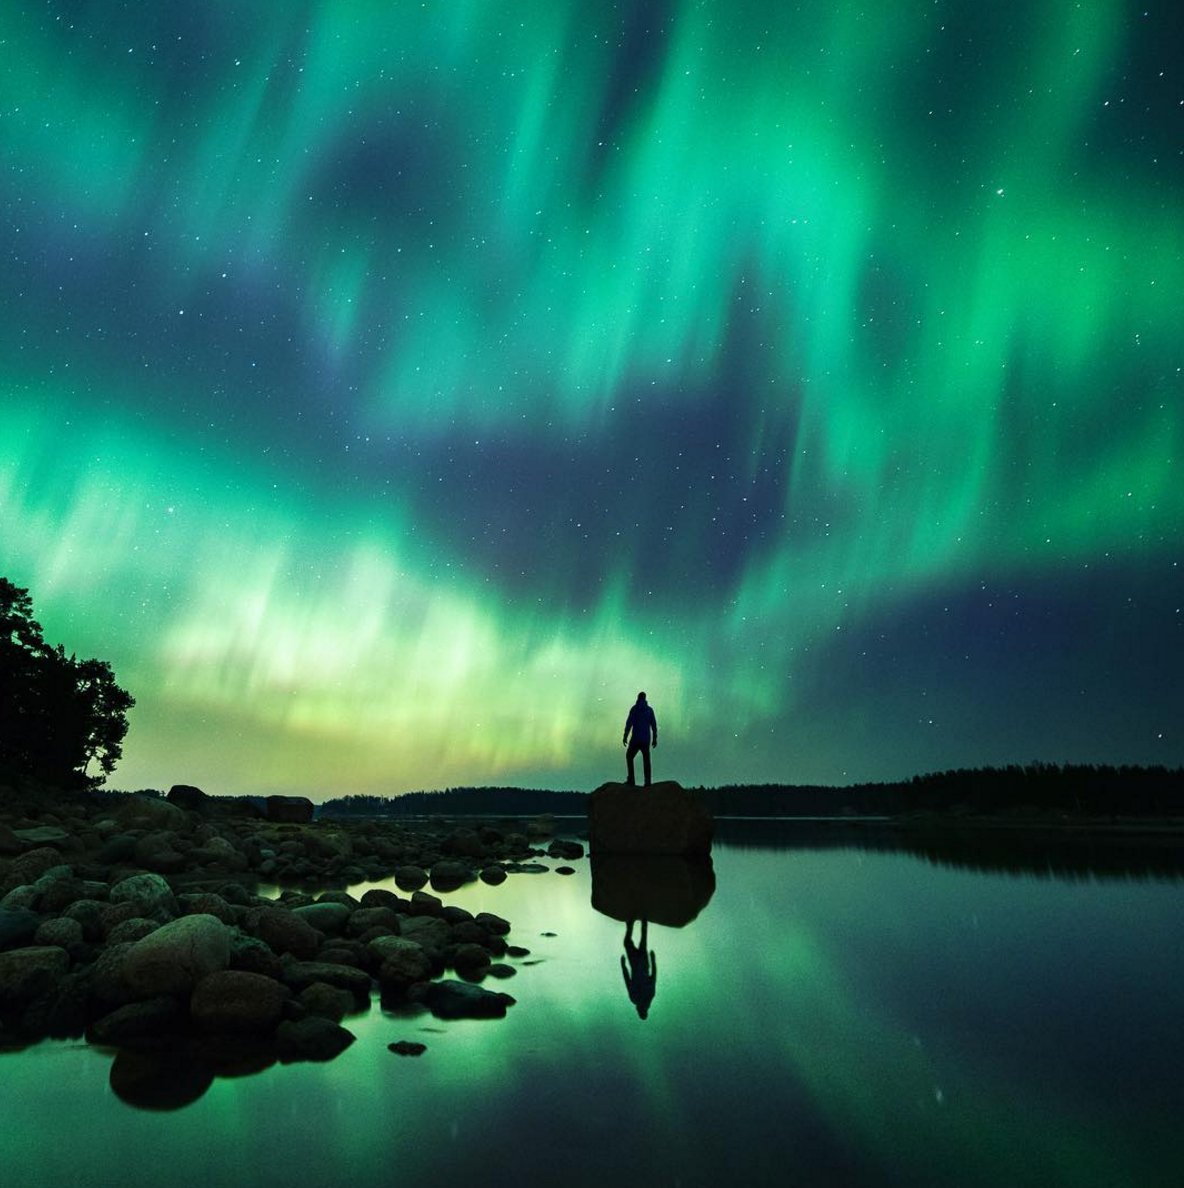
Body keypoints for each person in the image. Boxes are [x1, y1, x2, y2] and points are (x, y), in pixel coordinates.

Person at [622, 691, 658, 786]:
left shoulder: (634, 709)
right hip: (646, 739)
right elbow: (654, 725)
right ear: (645, 698)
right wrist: (654, 738)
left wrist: (625, 736)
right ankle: (647, 781)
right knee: (646, 760)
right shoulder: (649, 710)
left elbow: (629, 723)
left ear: (638, 698)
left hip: (636, 739)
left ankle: (631, 779)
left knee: (629, 756)